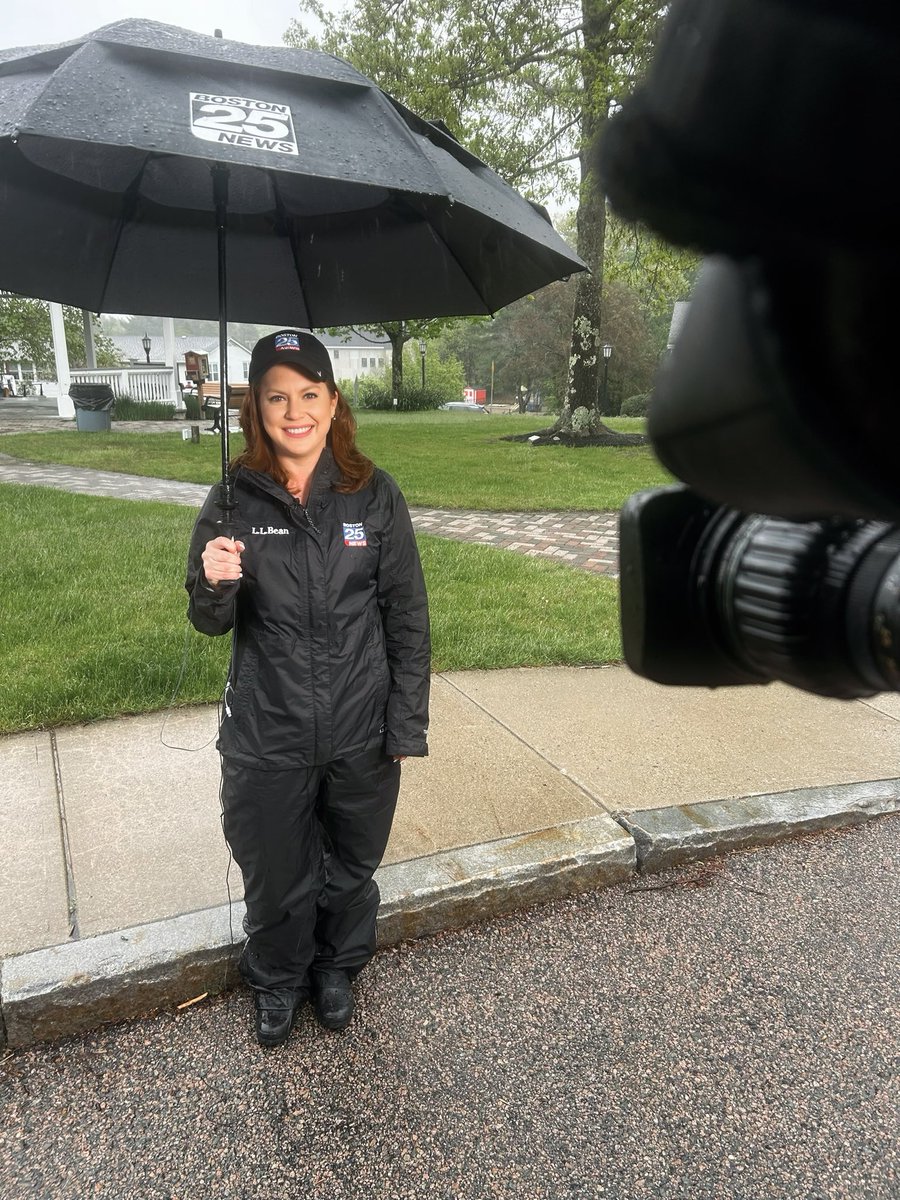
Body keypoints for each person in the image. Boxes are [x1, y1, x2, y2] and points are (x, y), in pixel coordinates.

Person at [185, 330, 430, 1047]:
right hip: (269, 729)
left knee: (352, 861)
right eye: (276, 398)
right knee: (275, 868)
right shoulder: (232, 498)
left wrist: (404, 723)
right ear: (256, 410)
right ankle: (277, 975)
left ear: (331, 402)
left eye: (308, 395)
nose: (294, 412)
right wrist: (214, 580)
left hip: (360, 726)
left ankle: (336, 965)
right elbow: (208, 620)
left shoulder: (372, 494)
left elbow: (406, 616)